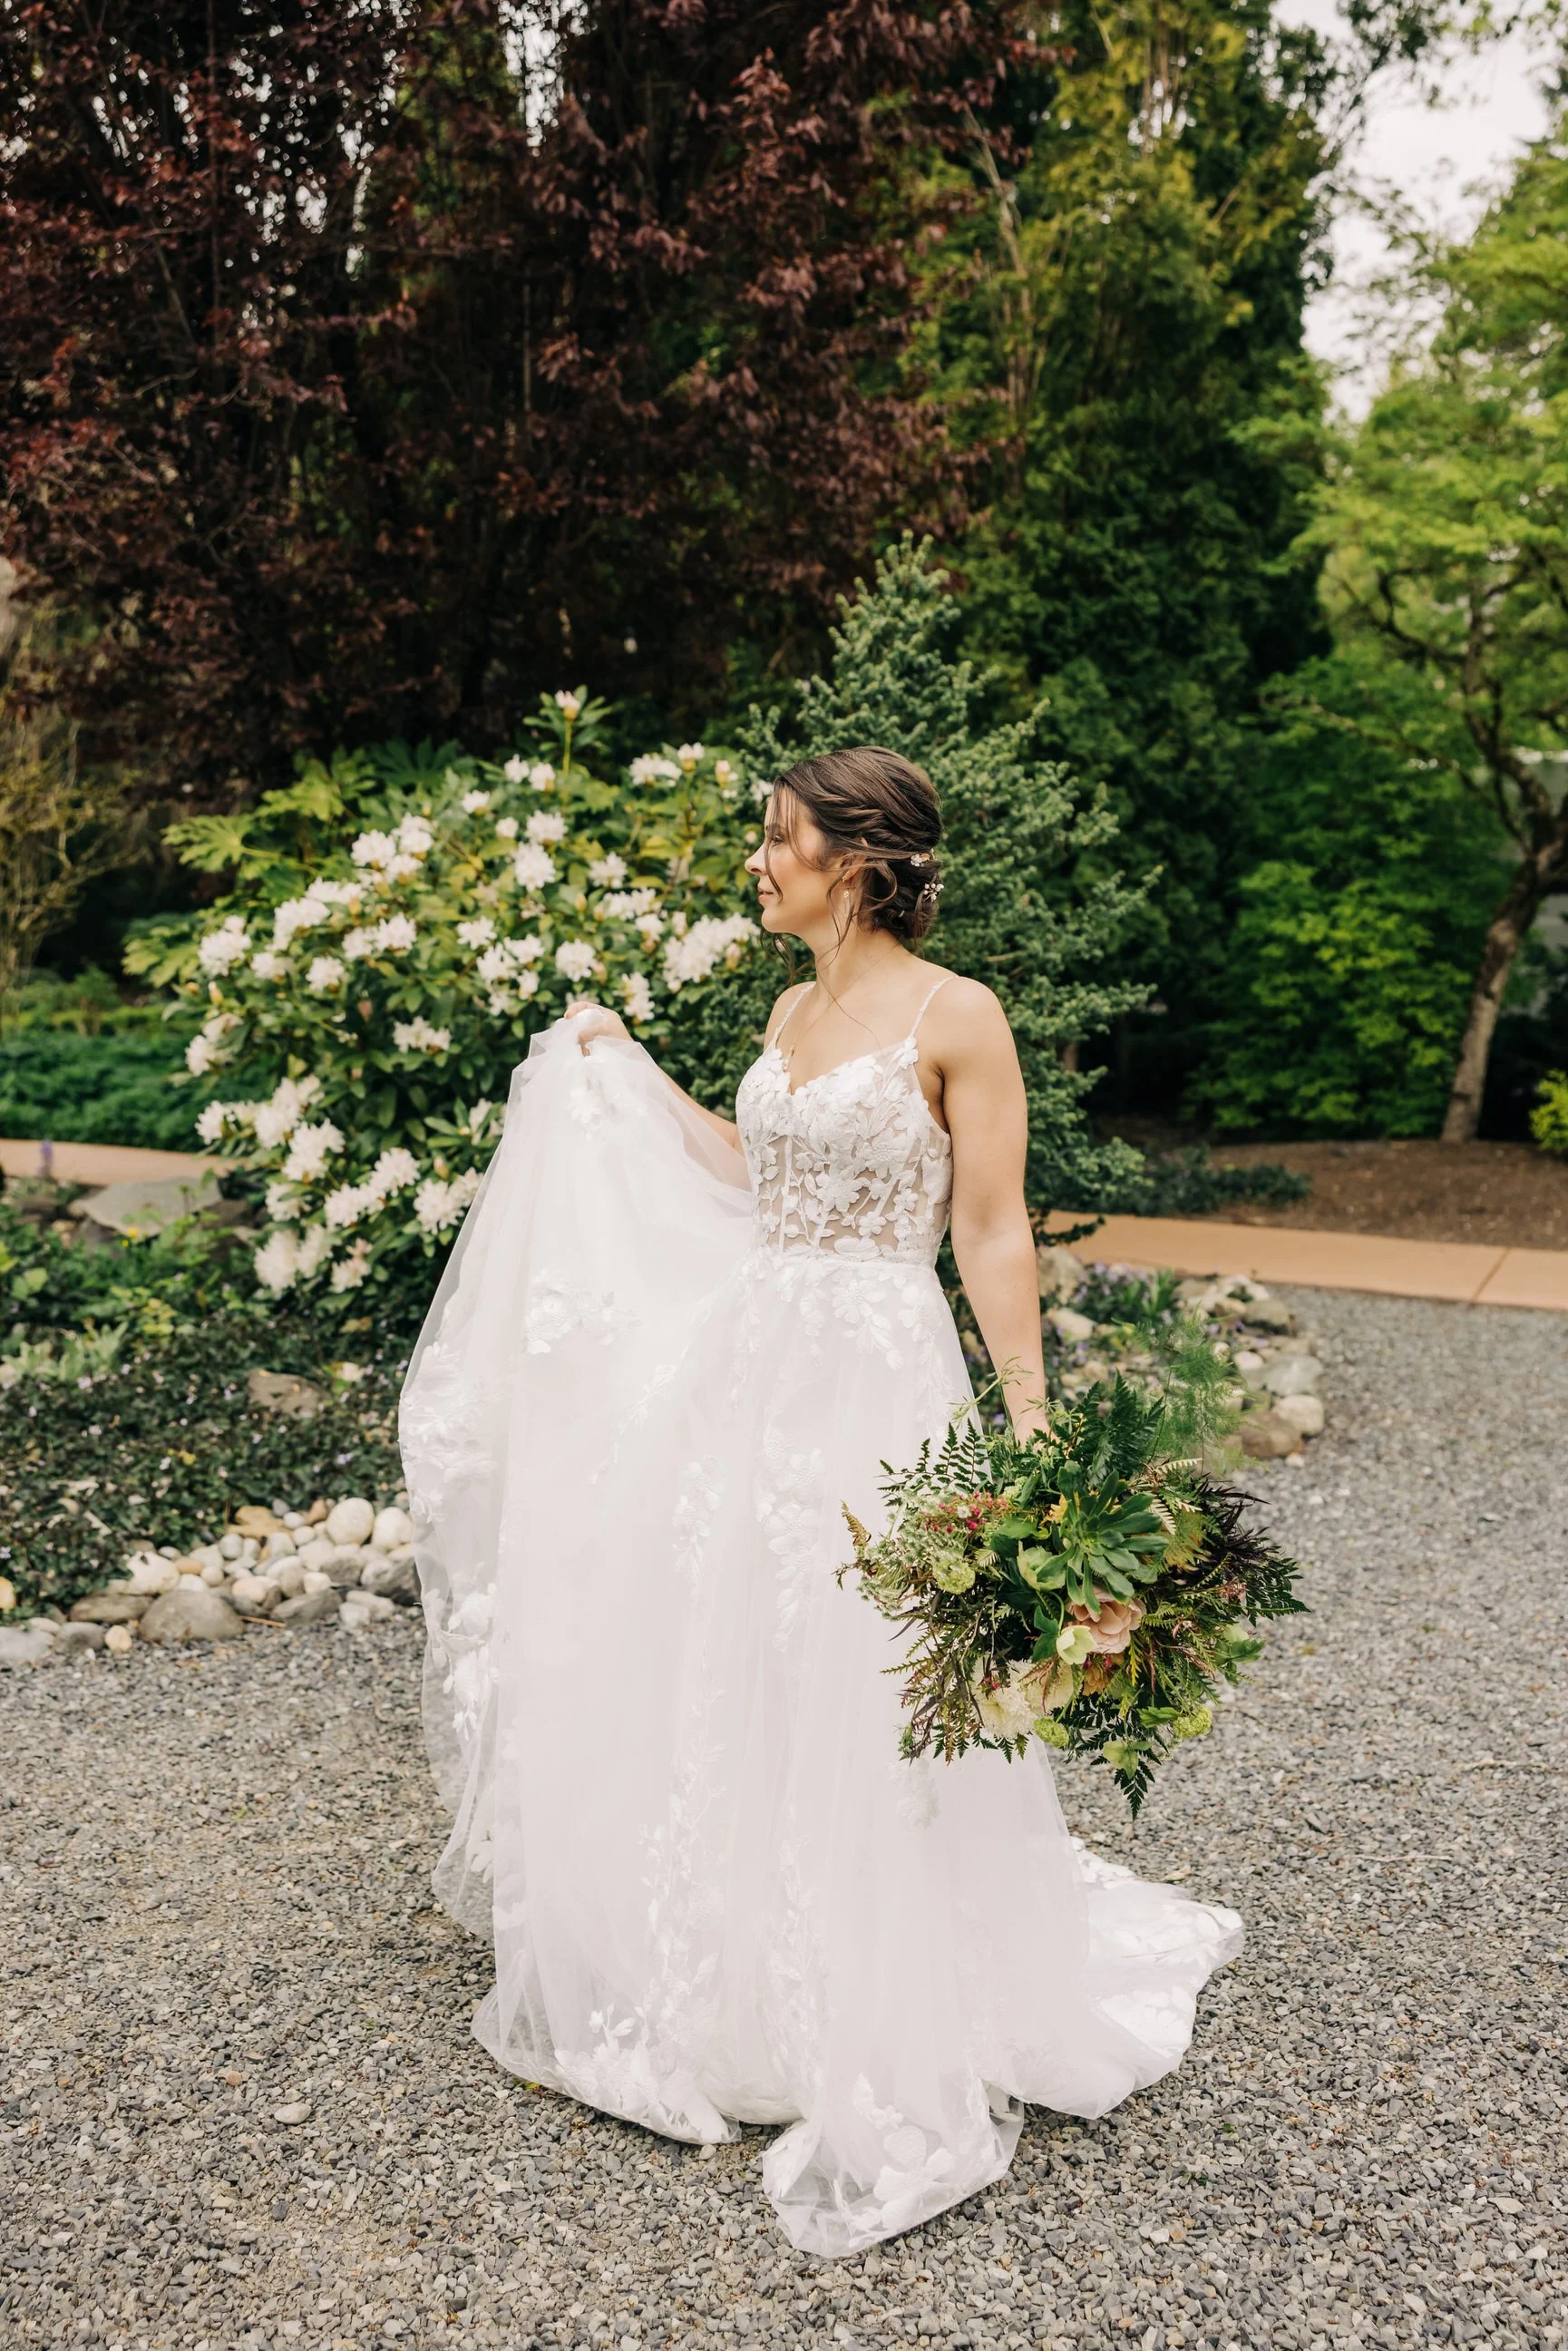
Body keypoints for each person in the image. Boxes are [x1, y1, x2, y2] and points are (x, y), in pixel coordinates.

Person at [400, 746, 1241, 2258]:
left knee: (862, 1662)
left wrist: (1030, 1428)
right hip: (755, 1364)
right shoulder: (789, 1010)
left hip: (876, 1373)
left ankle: (876, 1977)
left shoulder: (957, 1015)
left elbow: (989, 1228)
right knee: (732, 1646)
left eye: (779, 842)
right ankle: (728, 1963)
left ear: (857, 860)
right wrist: (634, 1078)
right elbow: (754, 1170)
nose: (757, 864)